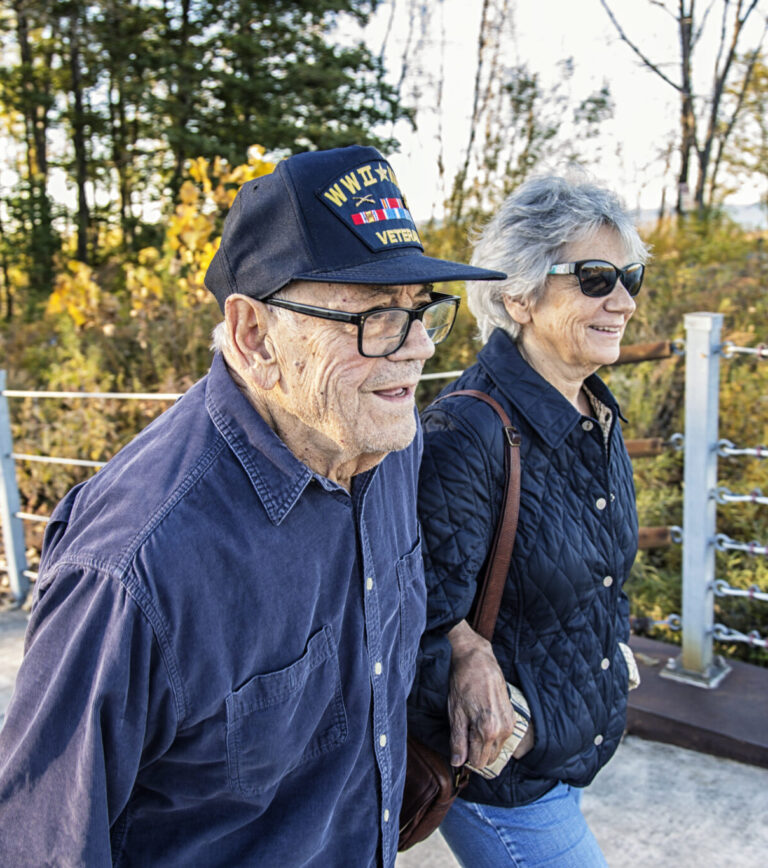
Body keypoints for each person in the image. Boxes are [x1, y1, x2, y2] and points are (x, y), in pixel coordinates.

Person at [0, 145, 504, 867]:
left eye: (422, 312)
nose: (418, 348)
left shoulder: (389, 442)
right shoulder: (133, 569)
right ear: (252, 336)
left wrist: (463, 646)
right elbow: (42, 845)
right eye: (374, 317)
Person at [408, 175, 647, 866]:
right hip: (507, 785)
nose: (623, 301)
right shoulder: (469, 431)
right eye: (595, 278)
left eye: (627, 277)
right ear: (518, 294)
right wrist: (467, 656)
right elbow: (407, 609)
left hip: (567, 755)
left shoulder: (593, 414)